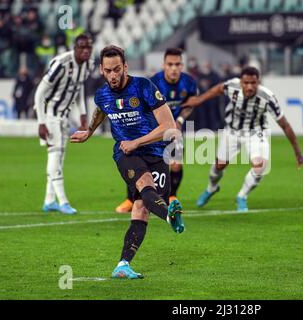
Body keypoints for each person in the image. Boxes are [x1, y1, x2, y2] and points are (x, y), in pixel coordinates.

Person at [70, 45, 185, 279]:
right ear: (102, 70)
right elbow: (101, 111)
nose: (113, 75)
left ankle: (123, 265)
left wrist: (138, 141)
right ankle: (170, 216)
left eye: (117, 70)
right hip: (125, 153)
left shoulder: (143, 87)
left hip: (156, 152)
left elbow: (169, 126)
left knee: (142, 208)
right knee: (144, 185)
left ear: (125, 67)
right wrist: (89, 131)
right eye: (108, 71)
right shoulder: (102, 94)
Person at [182, 66, 303, 212]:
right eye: (246, 83)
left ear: (259, 82)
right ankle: (211, 188)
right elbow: (218, 89)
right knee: (219, 166)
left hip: (256, 132)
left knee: (260, 166)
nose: (249, 86)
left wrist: (298, 153)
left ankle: (242, 196)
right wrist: (199, 100)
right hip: (232, 131)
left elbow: (285, 125)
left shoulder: (267, 97)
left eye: (253, 83)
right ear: (241, 82)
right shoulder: (232, 86)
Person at [115, 48, 198, 213]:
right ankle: (131, 199)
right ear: (164, 65)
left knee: (175, 165)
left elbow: (190, 104)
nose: (174, 68)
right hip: (153, 131)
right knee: (137, 164)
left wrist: (180, 120)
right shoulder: (153, 82)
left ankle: (172, 196)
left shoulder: (189, 83)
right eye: (170, 64)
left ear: (182, 65)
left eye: (177, 64)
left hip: (174, 130)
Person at [34, 34, 94, 214]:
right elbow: (39, 92)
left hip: (64, 115)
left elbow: (79, 86)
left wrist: (83, 113)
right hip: (50, 113)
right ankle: (63, 201)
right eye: (81, 48)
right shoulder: (61, 64)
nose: (85, 51)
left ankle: (49, 200)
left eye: (88, 48)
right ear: (74, 48)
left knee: (59, 155)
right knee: (55, 154)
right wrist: (41, 122)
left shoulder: (88, 65)